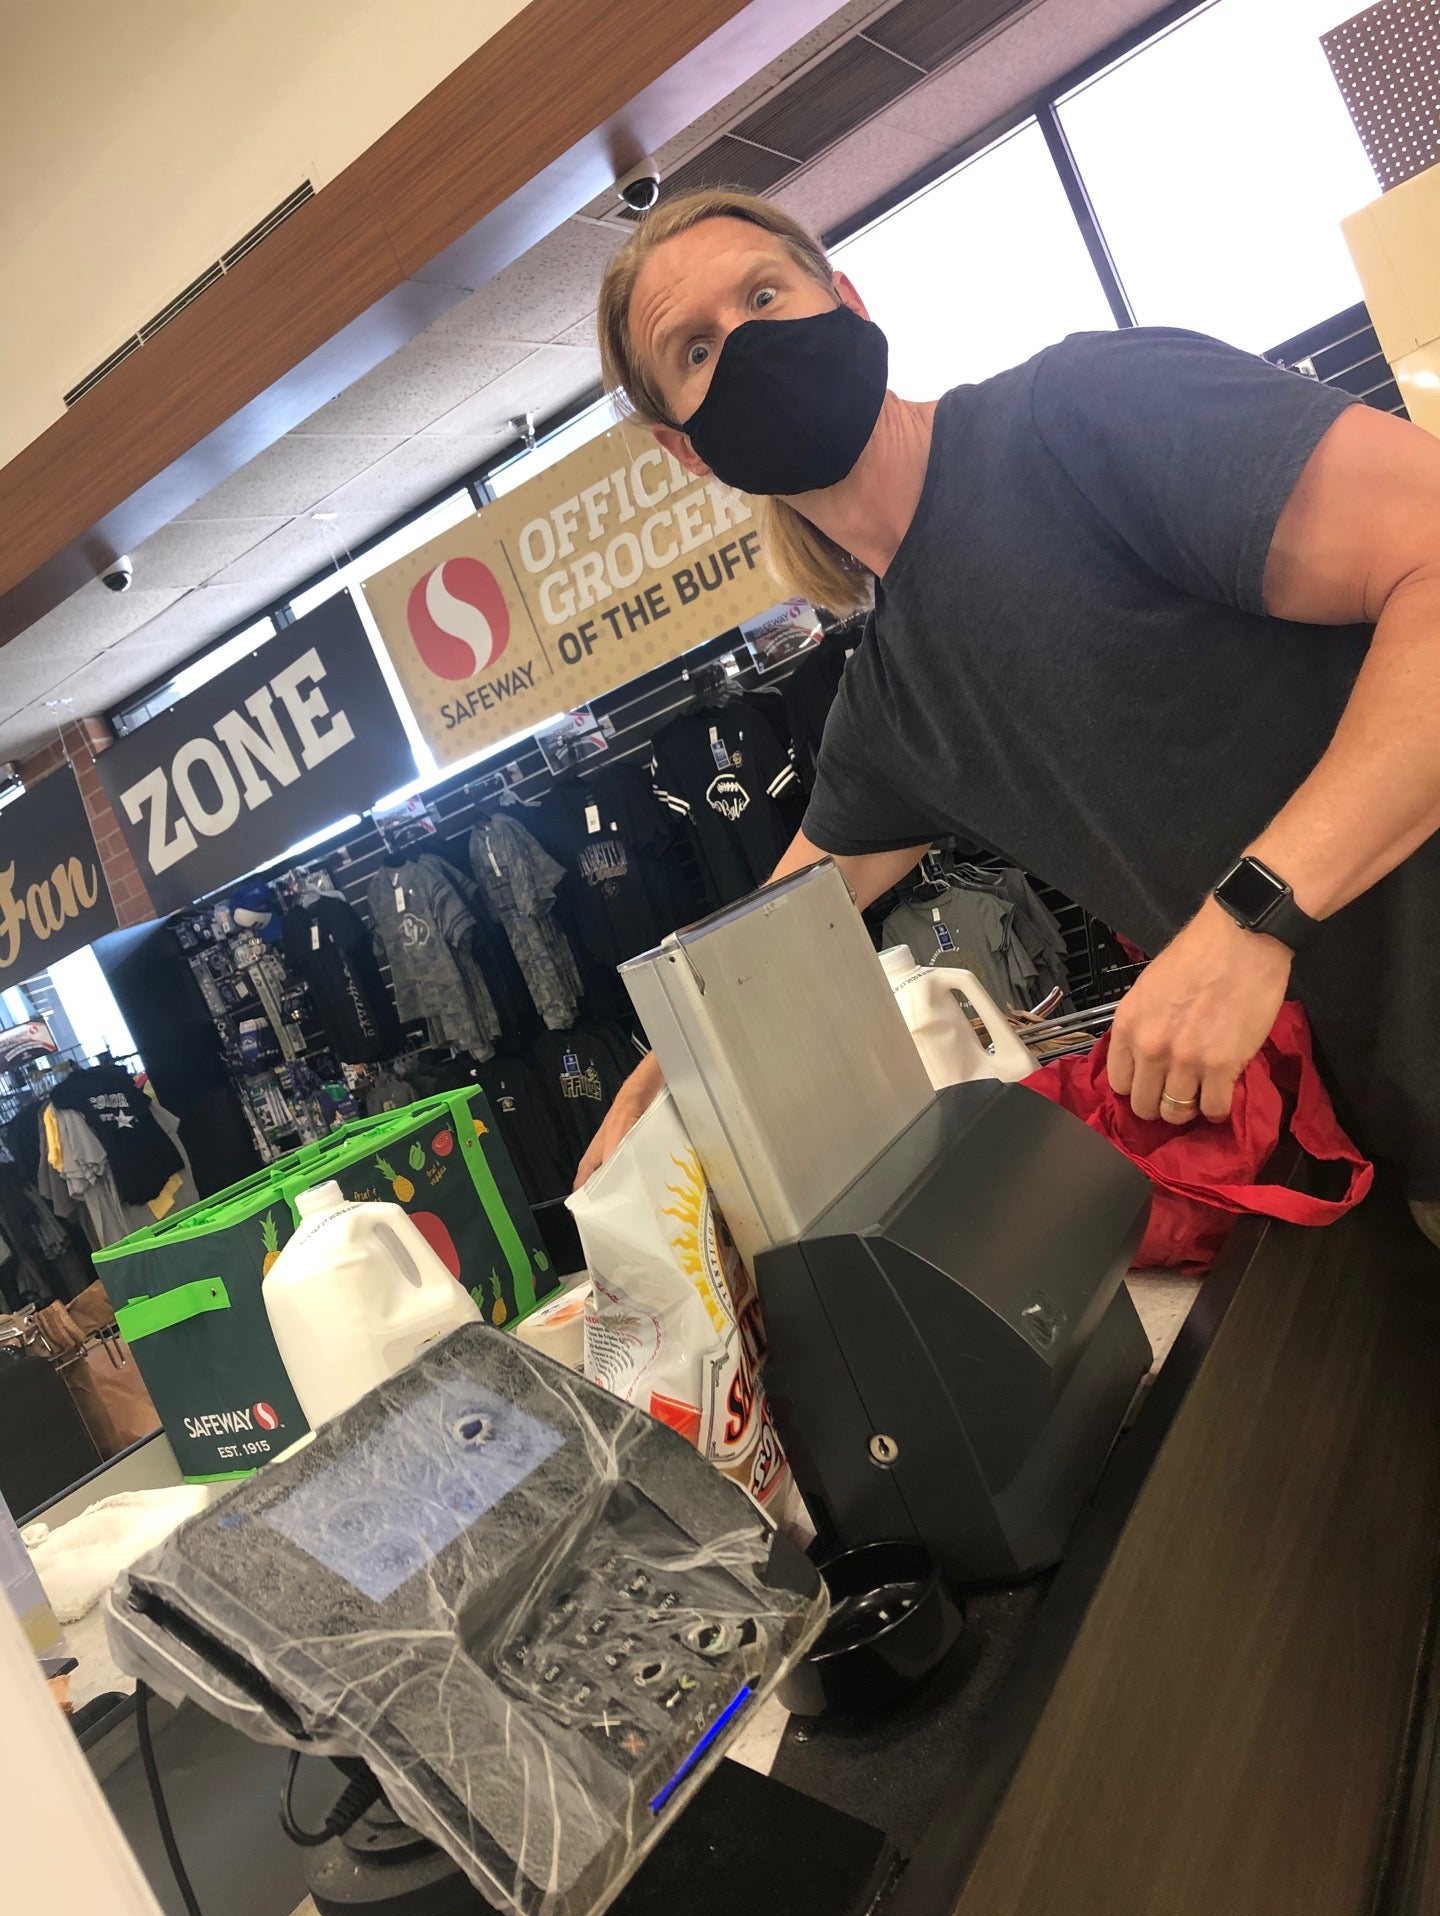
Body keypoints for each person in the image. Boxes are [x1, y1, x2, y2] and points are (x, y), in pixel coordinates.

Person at [578, 187, 1440, 1248]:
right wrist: (664, 1074)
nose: (748, 344)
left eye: (764, 296)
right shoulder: (896, 698)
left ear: (847, 301)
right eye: (698, 349)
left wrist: (1250, 916)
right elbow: (783, 923)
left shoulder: (1083, 413)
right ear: (687, 450)